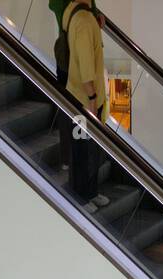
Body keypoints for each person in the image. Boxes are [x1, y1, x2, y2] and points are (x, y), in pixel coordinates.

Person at [63, 0, 109, 213]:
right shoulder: (82, 20)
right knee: (81, 149)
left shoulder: (84, 14)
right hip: (83, 99)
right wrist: (91, 98)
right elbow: (85, 64)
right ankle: (80, 197)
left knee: (91, 148)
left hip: (88, 98)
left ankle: (90, 192)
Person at [50, 0, 101, 167]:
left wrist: (94, 15)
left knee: (78, 117)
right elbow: (55, 6)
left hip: (77, 53)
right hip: (70, 58)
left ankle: (76, 162)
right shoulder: (78, 18)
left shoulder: (82, 15)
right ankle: (69, 159)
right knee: (72, 111)